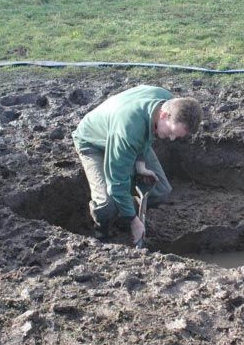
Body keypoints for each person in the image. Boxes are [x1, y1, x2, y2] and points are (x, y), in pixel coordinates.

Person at [72, 85, 203, 243]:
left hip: (125, 137)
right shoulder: (129, 130)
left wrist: (140, 164)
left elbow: (146, 133)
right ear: (163, 115)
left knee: (160, 189)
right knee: (107, 206)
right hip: (93, 142)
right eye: (172, 132)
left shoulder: (166, 100)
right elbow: (117, 181)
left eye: (177, 135)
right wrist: (133, 221)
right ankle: (103, 235)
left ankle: (124, 211)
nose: (172, 138)